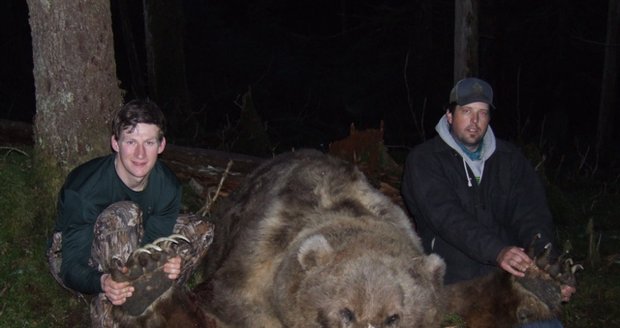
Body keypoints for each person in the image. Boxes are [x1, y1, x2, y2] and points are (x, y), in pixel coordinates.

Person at [401, 77, 575, 327]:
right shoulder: (424, 160)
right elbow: (446, 217)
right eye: (466, 111)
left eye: (482, 113)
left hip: (507, 280)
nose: (475, 121)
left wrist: (550, 267)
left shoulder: (510, 160)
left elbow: (532, 215)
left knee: (546, 324)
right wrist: (497, 251)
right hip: (453, 283)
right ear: (449, 116)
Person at [47, 99, 209, 327]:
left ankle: (151, 296)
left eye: (149, 142)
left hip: (132, 240)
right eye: (131, 141)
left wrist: (165, 264)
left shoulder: (168, 186)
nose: (140, 153)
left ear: (161, 145)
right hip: (76, 258)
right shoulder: (84, 189)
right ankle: (111, 307)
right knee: (125, 212)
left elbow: (153, 243)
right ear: (115, 142)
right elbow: (71, 266)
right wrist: (102, 281)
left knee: (202, 231)